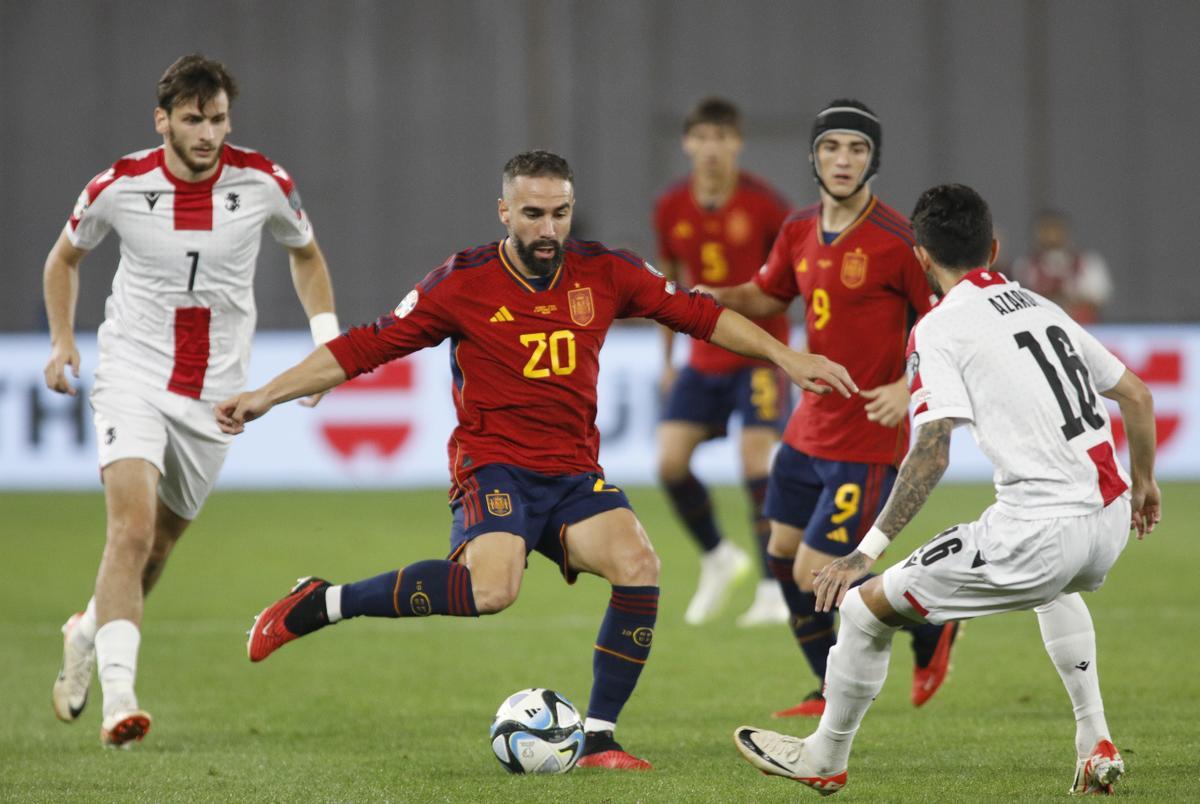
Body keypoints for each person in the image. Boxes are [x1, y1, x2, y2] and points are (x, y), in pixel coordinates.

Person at [217, 150, 856, 771]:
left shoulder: (605, 271)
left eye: (559, 213)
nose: (547, 229)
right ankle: (323, 602)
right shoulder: (462, 282)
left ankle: (599, 737)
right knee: (492, 590)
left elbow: (700, 314)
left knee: (639, 564)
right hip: (493, 466)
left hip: (574, 472)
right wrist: (265, 396)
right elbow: (366, 346)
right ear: (504, 211)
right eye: (532, 215)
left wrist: (788, 358)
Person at [733, 183, 1160, 796]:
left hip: (1040, 532)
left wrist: (865, 551)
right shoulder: (1040, 305)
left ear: (921, 258)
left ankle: (824, 756)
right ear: (992, 247)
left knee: (860, 608)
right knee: (1053, 589)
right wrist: (1144, 484)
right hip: (1110, 517)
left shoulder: (939, 328)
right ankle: (1094, 740)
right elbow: (1137, 396)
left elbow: (931, 451)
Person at [43, 54, 339, 748]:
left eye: (217, 120)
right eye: (192, 119)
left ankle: (86, 628)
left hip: (217, 394)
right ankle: (120, 699)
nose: (207, 134)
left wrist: (326, 344)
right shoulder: (118, 185)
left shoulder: (265, 182)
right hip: (133, 374)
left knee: (159, 547)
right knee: (132, 529)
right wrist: (62, 341)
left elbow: (307, 254)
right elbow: (64, 259)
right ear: (163, 120)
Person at [704, 99, 956, 717]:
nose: (843, 160)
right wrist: (701, 296)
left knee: (815, 571)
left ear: (873, 159)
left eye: (857, 149)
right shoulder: (796, 229)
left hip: (866, 437)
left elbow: (948, 322)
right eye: (832, 148)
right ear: (813, 156)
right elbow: (767, 295)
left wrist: (905, 386)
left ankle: (932, 624)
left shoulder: (899, 240)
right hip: (806, 428)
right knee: (781, 556)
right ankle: (827, 686)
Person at [653, 97, 793, 627]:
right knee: (668, 463)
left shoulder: (766, 206)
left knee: (755, 461)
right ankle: (717, 555)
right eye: (702, 138)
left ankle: (772, 586)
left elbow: (784, 287)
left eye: (722, 138)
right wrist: (668, 360)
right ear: (688, 143)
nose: (711, 148)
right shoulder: (670, 206)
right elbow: (664, 284)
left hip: (758, 352)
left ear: (737, 142)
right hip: (702, 355)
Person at [1013, 210, 1113, 324]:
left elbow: (1099, 299)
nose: (1051, 235)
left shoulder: (1087, 262)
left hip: (1083, 328)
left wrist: (1069, 301)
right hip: (1042, 329)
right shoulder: (1025, 265)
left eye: (1055, 229)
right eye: (1046, 230)